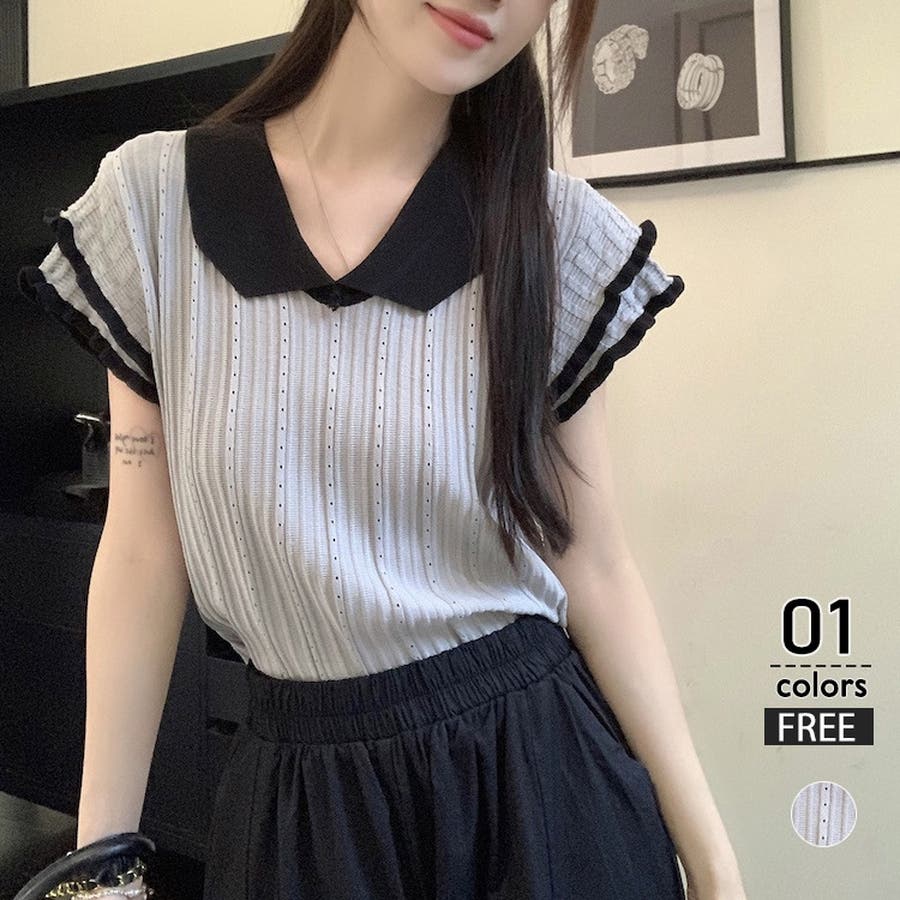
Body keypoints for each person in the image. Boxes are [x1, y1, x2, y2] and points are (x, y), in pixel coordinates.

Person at [16, 1, 748, 898]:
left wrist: (716, 867)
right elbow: (140, 549)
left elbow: (593, 564)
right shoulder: (152, 207)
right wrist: (98, 873)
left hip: (536, 787)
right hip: (299, 807)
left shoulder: (549, 231)